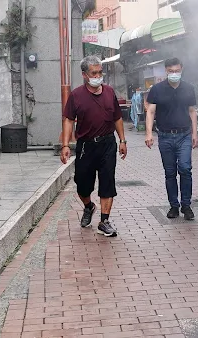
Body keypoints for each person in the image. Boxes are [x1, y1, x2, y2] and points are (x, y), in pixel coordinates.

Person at [60, 55, 128, 237]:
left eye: (100, 72)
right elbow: (68, 120)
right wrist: (65, 145)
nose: (98, 76)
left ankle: (104, 221)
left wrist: (122, 140)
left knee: (107, 182)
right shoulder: (76, 96)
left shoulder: (109, 92)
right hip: (85, 146)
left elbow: (117, 118)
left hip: (107, 144)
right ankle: (89, 206)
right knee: (82, 184)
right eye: (94, 73)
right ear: (85, 75)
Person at [144, 58, 198, 221]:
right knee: (170, 172)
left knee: (185, 168)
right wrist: (149, 133)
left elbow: (192, 111)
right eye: (171, 71)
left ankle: (186, 205)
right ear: (166, 71)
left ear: (181, 69)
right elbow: (151, 112)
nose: (174, 74)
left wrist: (195, 133)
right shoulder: (157, 89)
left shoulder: (189, 88)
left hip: (184, 135)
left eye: (177, 71)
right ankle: (174, 206)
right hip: (165, 136)